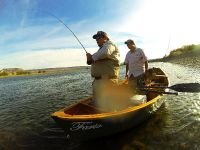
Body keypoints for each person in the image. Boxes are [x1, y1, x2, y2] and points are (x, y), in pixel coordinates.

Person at [86, 31, 120, 111]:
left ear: (105, 38)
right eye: (96, 38)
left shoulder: (110, 44)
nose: (96, 40)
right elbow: (92, 60)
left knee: (110, 107)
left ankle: (114, 121)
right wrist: (90, 58)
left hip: (107, 81)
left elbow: (105, 53)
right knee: (98, 105)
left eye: (98, 38)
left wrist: (92, 57)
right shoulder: (100, 50)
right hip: (98, 81)